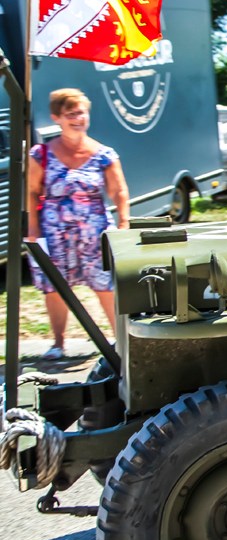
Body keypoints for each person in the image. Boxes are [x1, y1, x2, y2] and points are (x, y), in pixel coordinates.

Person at [25, 88, 129, 360]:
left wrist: (124, 221)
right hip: (54, 232)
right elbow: (32, 192)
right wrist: (33, 229)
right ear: (56, 117)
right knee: (55, 287)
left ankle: (122, 342)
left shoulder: (104, 154)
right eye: (70, 114)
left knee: (104, 285)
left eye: (81, 113)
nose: (78, 119)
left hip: (94, 232)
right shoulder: (41, 154)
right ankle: (58, 343)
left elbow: (119, 191)